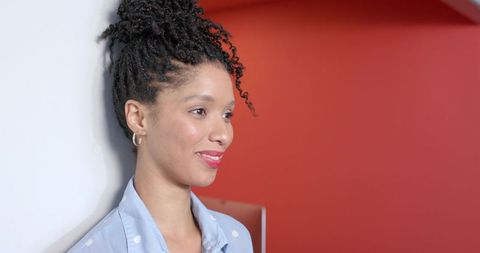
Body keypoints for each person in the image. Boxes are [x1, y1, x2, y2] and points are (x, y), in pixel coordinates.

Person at [68, 0, 256, 252]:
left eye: (227, 114)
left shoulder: (237, 238)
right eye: (199, 111)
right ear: (138, 118)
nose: (224, 135)